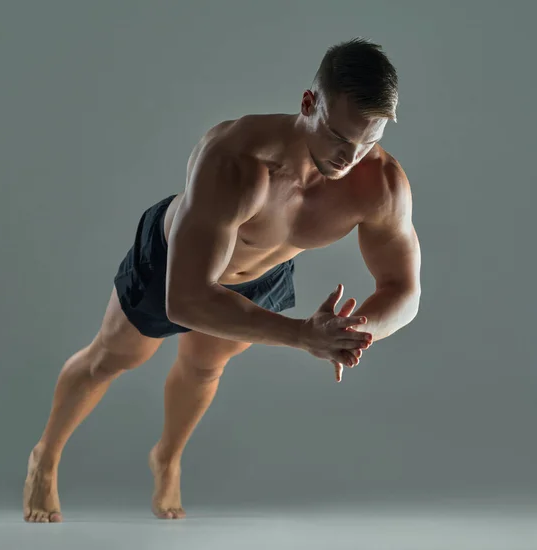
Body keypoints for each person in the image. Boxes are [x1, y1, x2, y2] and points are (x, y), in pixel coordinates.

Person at [23, 37, 421, 523]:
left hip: (260, 277)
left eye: (368, 142)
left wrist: (352, 332)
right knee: (113, 358)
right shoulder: (237, 158)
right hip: (177, 264)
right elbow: (186, 300)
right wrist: (301, 335)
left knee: (204, 367)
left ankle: (166, 457)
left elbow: (404, 290)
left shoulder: (381, 184)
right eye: (340, 139)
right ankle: (45, 457)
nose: (350, 158)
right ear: (308, 103)